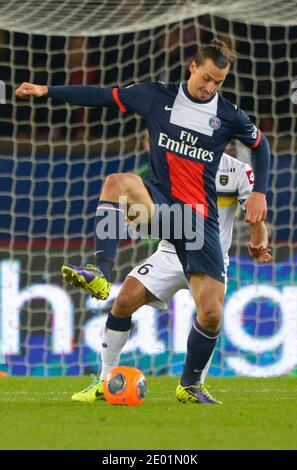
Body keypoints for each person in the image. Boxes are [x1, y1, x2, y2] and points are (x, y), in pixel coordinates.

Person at [16, 40, 271, 404]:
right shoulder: (156, 96)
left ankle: (190, 385)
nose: (211, 87)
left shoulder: (228, 115)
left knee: (211, 314)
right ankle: (100, 273)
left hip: (198, 226)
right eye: (207, 78)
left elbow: (261, 147)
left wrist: (259, 192)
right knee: (117, 184)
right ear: (192, 65)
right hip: (163, 210)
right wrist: (46, 90)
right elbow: (102, 96)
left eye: (219, 82)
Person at [70, 151, 273, 404]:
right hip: (170, 251)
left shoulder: (239, 171)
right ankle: (104, 380)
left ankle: (190, 386)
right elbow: (156, 212)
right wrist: (138, 218)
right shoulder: (176, 164)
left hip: (210, 257)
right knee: (123, 302)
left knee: (211, 315)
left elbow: (256, 218)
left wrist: (260, 241)